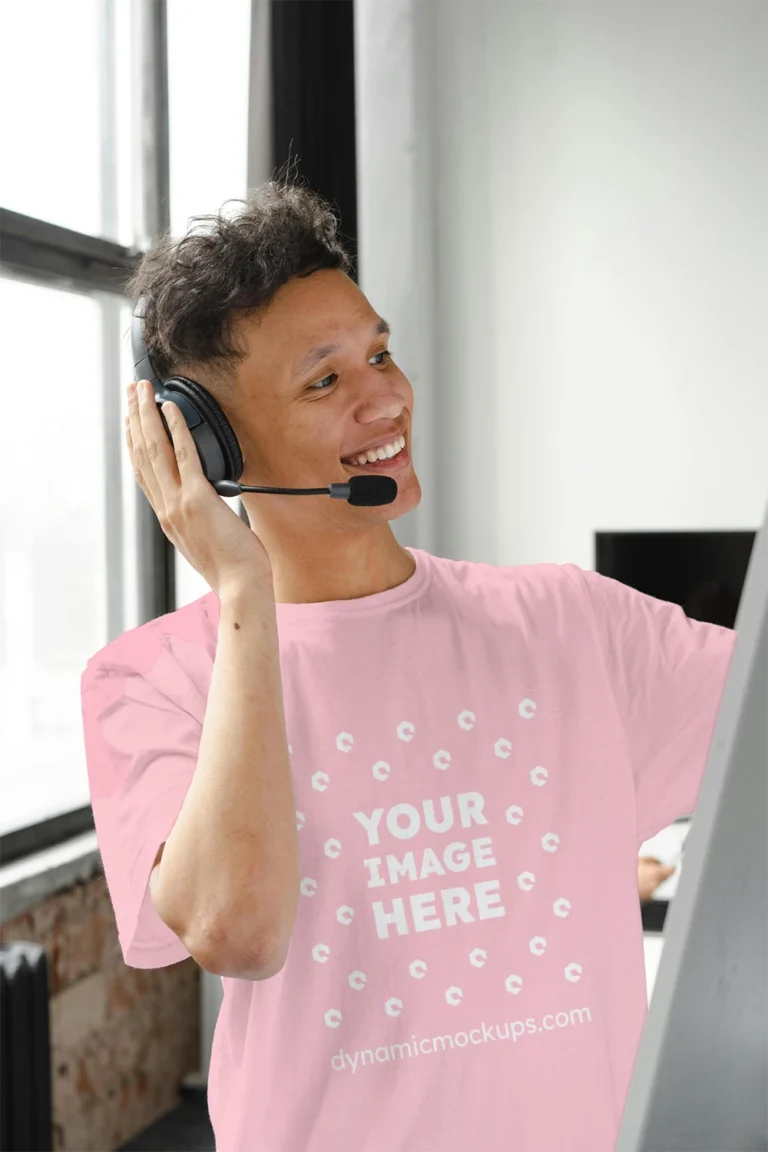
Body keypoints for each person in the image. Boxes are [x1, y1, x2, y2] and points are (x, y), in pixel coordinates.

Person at [80, 175, 736, 1152]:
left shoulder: (574, 625)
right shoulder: (153, 682)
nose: (385, 394)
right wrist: (245, 593)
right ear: (208, 446)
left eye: (379, 352)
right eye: (325, 379)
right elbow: (239, 928)